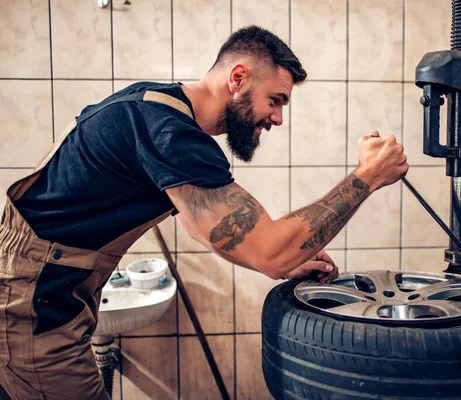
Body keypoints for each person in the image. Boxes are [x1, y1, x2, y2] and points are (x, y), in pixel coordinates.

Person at [0, 25, 409, 399]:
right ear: (238, 78)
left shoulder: (157, 106)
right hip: (33, 300)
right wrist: (367, 177)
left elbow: (208, 228)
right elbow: (269, 252)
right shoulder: (168, 131)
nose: (279, 118)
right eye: (275, 100)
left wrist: (284, 262)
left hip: (39, 289)